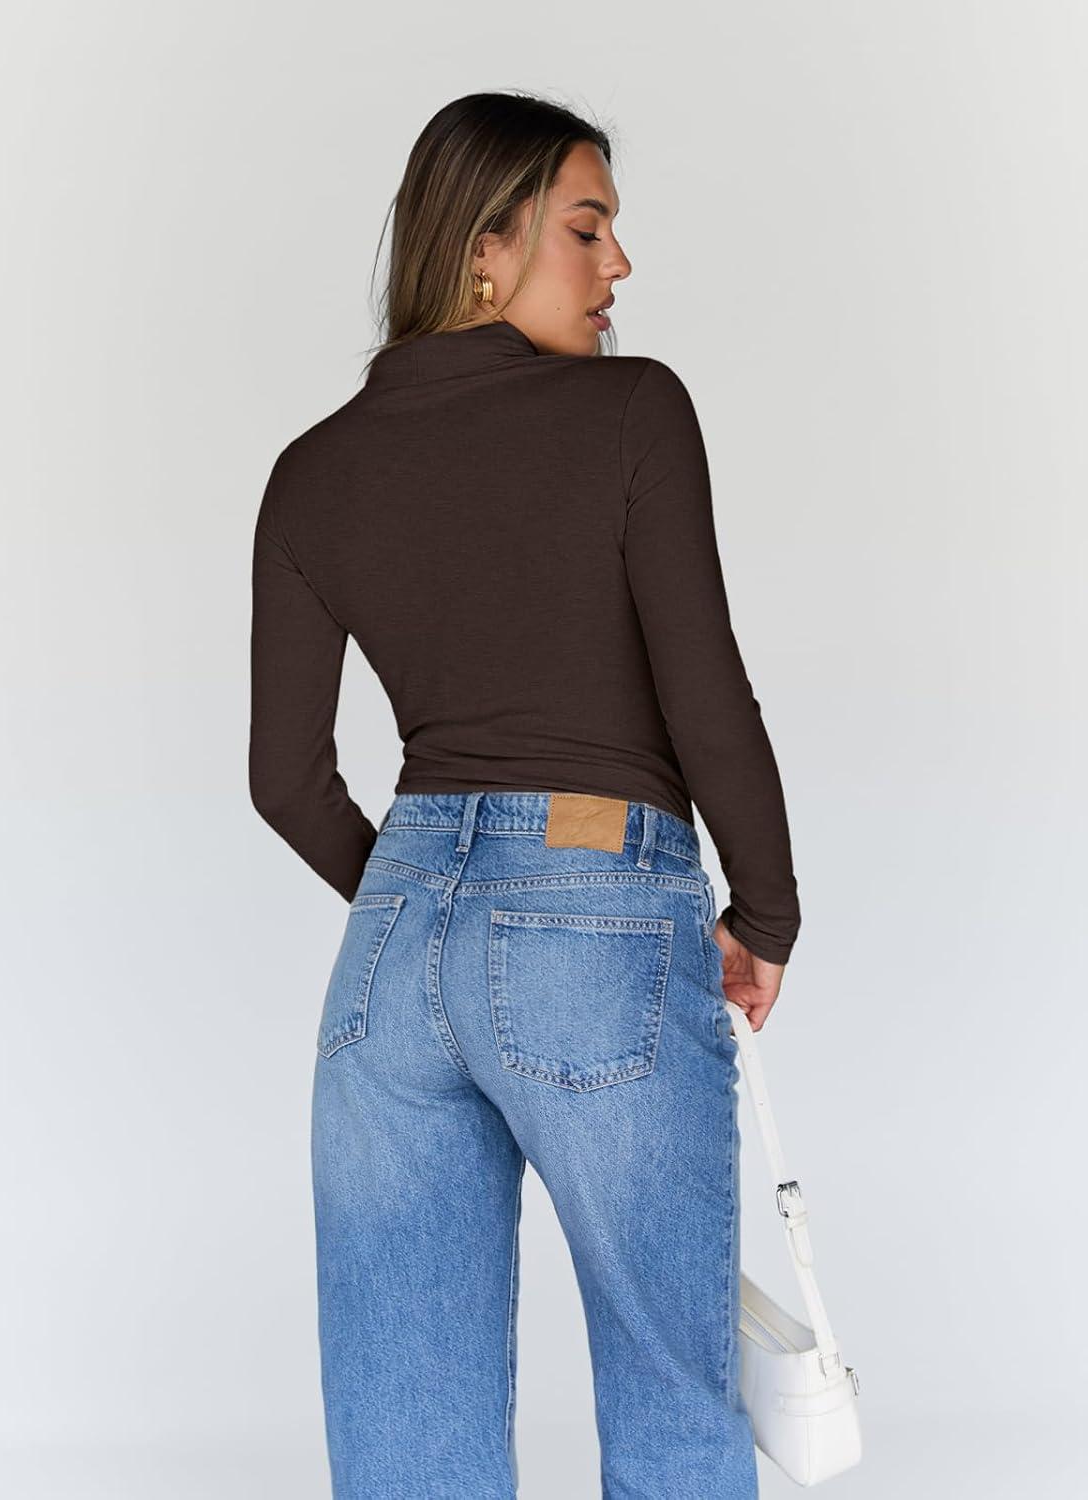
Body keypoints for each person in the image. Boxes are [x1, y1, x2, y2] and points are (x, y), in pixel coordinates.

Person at [249, 90, 800, 1500]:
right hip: (596, 924)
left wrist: (425, 887)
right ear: (481, 250)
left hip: (387, 961)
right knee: (671, 1399)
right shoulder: (632, 409)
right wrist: (766, 914)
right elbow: (704, 688)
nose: (620, 264)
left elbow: (284, 781)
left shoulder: (310, 473)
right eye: (587, 227)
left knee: (405, 1433)